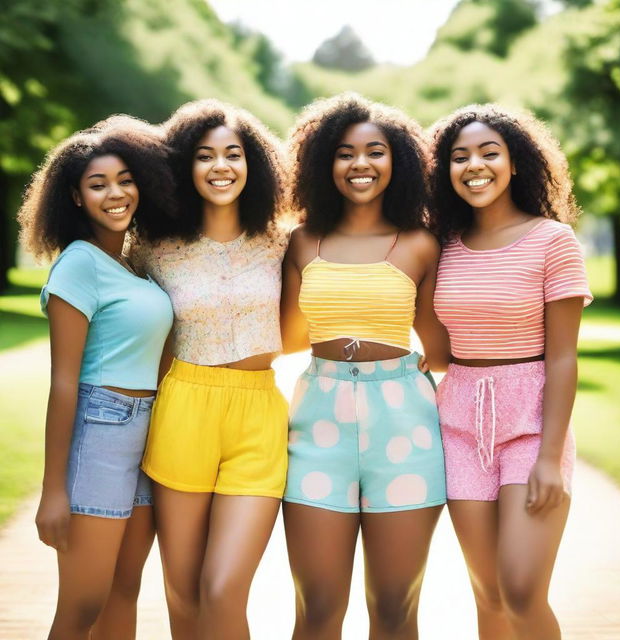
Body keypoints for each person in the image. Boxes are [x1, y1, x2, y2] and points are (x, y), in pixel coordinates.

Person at [280, 93, 448, 639]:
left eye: (375, 151)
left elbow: (440, 348)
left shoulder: (422, 243)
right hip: (318, 421)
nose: (360, 165)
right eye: (345, 153)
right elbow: (286, 337)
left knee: (396, 607)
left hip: (404, 425)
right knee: (318, 606)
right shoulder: (302, 242)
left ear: (397, 161)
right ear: (322, 164)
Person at [427, 104, 592, 640]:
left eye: (488, 152)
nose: (474, 165)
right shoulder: (443, 246)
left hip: (530, 424)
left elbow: (564, 357)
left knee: (522, 590)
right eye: (460, 157)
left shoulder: (553, 241)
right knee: (490, 592)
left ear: (516, 163)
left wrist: (549, 457)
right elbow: (440, 347)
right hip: (458, 422)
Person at [130, 99, 289, 640]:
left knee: (222, 588)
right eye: (205, 156)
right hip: (183, 409)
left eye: (233, 154)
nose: (221, 166)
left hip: (258, 414)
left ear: (254, 164)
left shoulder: (283, 241)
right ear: (184, 167)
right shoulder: (152, 247)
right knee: (183, 591)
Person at [17, 116, 177, 640]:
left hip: (146, 434)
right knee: (83, 603)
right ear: (75, 196)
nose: (116, 193)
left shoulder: (131, 264)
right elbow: (64, 383)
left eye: (125, 180)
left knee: (123, 590)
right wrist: (52, 493)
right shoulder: (78, 266)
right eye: (98, 184)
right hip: (102, 431)